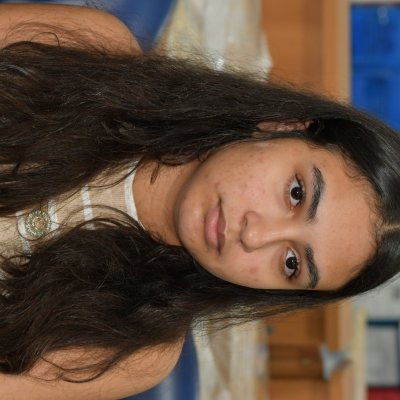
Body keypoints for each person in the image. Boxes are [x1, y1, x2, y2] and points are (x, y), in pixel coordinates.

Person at [0, 3, 399, 399]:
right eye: (296, 194)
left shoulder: (135, 352)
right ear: (283, 126)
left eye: (291, 263)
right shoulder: (95, 51)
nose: (255, 236)